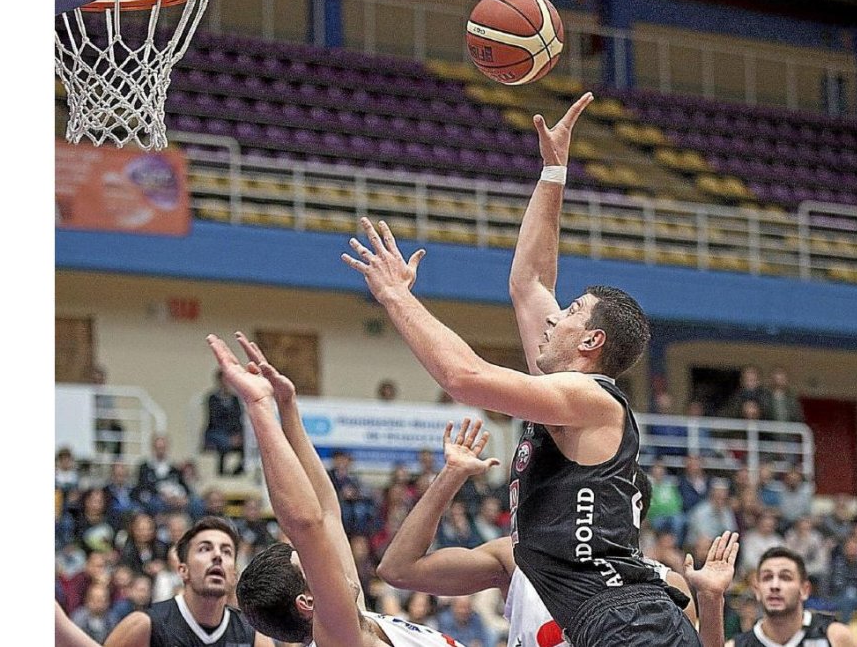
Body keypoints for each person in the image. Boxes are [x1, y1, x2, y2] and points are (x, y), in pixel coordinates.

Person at [342, 93, 697, 647]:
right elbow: (529, 283)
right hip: (601, 621)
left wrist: (397, 299)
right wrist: (553, 171)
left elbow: (466, 378)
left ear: (592, 342)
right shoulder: (560, 389)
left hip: (628, 620)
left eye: (572, 312)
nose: (554, 317)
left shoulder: (592, 398)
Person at [377, 418, 740, 647]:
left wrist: (711, 599)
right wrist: (451, 475)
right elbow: (399, 569)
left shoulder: (667, 584)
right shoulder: (517, 555)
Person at [207, 331, 470, 646]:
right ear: (308, 602)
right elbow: (307, 524)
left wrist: (287, 407)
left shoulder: (360, 620)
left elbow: (327, 509)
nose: (324, 557)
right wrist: (259, 408)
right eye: (311, 563)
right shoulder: (341, 640)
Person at [103, 515, 271, 647]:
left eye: (226, 551)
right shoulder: (144, 625)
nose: (218, 556)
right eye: (205, 548)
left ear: (234, 575)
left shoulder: (254, 636)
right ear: (183, 570)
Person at [726, 547, 857, 647]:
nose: (775, 585)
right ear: (757, 590)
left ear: (804, 590)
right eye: (767, 577)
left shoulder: (836, 637)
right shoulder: (737, 645)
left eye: (785, 577)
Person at [203, 369, 245, 476]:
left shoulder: (235, 399)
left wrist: (237, 435)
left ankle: (238, 470)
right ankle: (221, 471)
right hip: (216, 431)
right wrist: (229, 437)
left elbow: (238, 418)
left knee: (246, 443)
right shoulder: (212, 399)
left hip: (232, 432)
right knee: (223, 442)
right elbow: (214, 419)